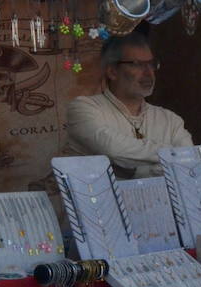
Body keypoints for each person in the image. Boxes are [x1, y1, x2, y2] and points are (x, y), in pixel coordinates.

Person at [64, 30, 192, 178]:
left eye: (151, 64)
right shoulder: (83, 108)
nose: (148, 73)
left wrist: (138, 171)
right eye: (137, 64)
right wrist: (171, 154)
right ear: (112, 72)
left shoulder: (170, 120)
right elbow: (112, 148)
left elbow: (189, 165)